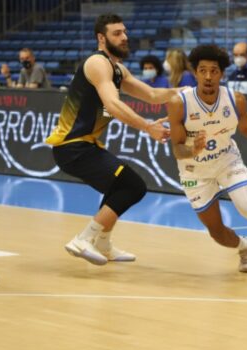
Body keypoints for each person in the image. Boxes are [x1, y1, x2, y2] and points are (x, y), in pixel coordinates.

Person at [45, 13, 176, 265]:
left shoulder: (117, 69)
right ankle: (83, 239)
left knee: (120, 187)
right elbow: (113, 104)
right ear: (101, 38)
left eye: (125, 32)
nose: (124, 37)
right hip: (73, 146)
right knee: (133, 186)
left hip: (84, 146)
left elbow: (151, 94)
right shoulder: (98, 63)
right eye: (117, 33)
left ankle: (103, 244)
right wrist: (148, 127)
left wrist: (188, 93)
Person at [167, 44, 247, 273]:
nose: (208, 76)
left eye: (214, 71)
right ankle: (245, 247)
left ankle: (245, 217)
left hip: (226, 160)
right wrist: (192, 151)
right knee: (217, 233)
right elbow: (177, 149)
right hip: (194, 171)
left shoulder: (236, 99)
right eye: (202, 70)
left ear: (222, 74)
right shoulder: (179, 103)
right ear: (195, 73)